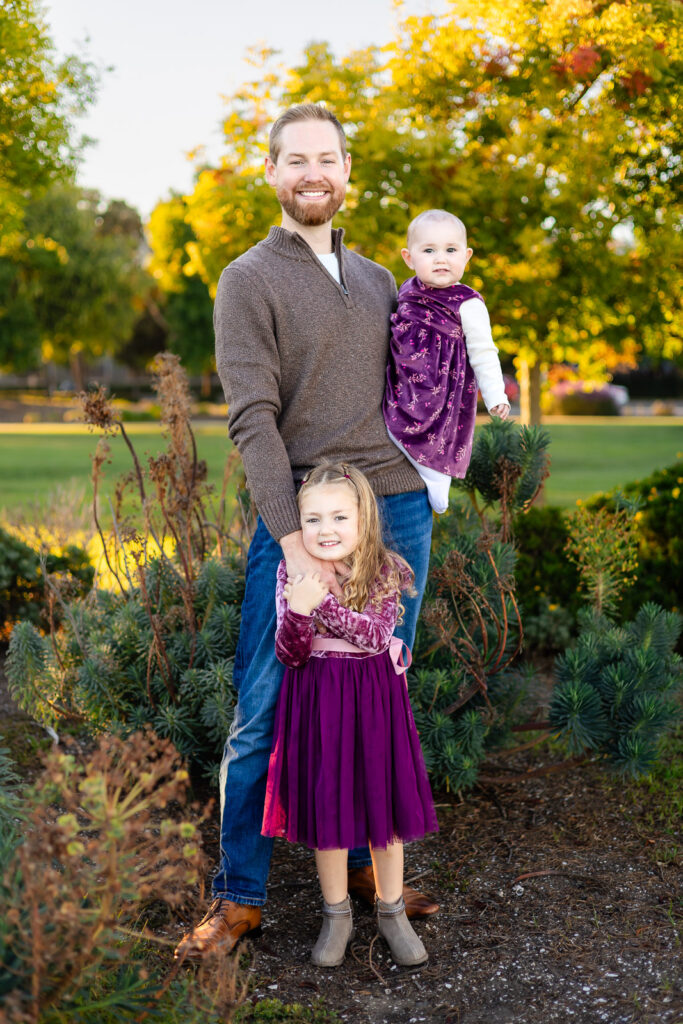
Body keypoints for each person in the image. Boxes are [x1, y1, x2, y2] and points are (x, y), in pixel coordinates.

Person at [174, 104, 437, 963]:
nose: (312, 172)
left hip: (391, 507)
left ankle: (368, 872)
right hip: (303, 520)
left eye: (326, 158)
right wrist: (292, 545)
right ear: (274, 173)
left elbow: (421, 386)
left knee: (376, 696)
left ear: (347, 171)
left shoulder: (377, 279)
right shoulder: (246, 279)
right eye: (296, 160)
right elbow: (252, 421)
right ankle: (239, 897)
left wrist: (440, 465)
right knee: (263, 709)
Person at [262, 463, 438, 968]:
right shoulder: (289, 572)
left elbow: (377, 636)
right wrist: (298, 611)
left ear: (363, 520)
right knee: (330, 810)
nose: (326, 530)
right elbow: (290, 653)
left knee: (386, 813)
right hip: (319, 702)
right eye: (312, 519)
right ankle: (336, 914)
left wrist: (322, 603)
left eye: (339, 517)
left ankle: (391, 912)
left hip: (373, 700)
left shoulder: (384, 568)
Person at [383, 209, 510, 514]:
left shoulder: (468, 303)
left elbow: (484, 352)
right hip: (406, 376)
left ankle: (436, 476)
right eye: (429, 250)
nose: (441, 258)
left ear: (466, 257)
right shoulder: (406, 290)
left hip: (441, 384)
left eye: (450, 250)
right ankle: (398, 446)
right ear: (409, 258)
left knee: (436, 433)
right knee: (393, 421)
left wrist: (496, 396)